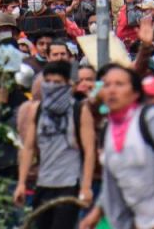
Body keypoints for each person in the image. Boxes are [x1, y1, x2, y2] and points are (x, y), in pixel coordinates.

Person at [78, 64, 154, 229]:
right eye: (107, 85)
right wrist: (96, 213)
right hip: (134, 222)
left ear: (135, 93)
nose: (112, 90)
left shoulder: (152, 119)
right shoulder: (109, 129)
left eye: (119, 84)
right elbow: (113, 181)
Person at [15, 60, 95, 228]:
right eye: (48, 82)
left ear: (68, 84)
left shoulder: (79, 111)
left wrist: (86, 187)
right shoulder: (37, 111)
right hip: (43, 183)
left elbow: (89, 151)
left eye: (57, 82)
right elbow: (28, 147)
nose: (51, 86)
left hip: (69, 184)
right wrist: (21, 182)